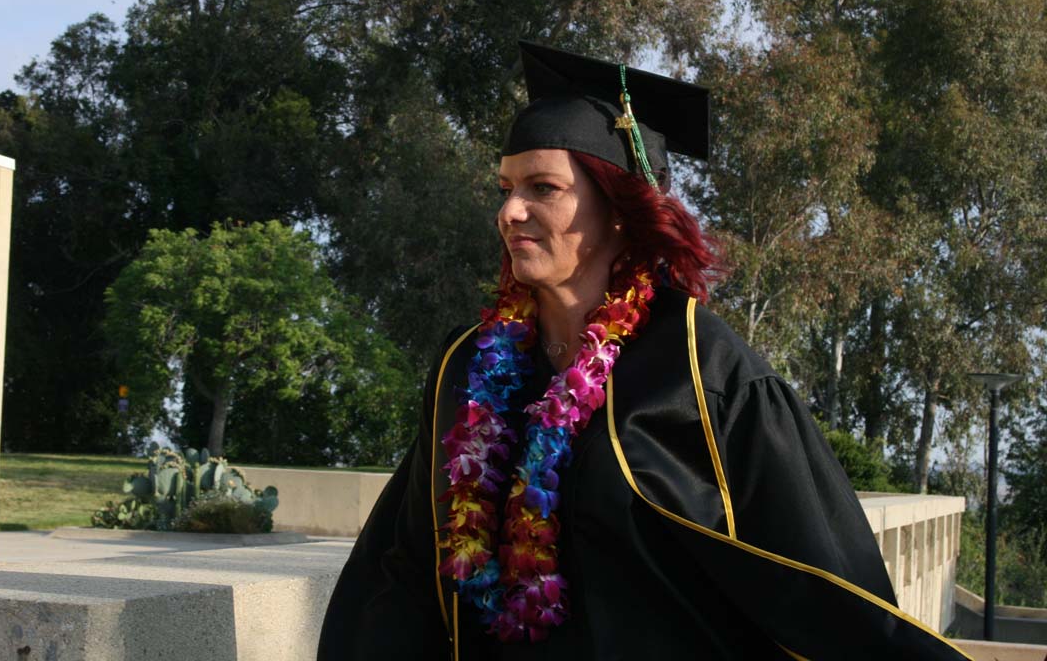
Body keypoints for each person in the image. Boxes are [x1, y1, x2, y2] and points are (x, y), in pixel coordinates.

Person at [317, 41, 969, 660]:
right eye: (504, 188)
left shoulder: (695, 367)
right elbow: (402, 568)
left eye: (542, 188)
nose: (510, 211)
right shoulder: (466, 366)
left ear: (620, 209)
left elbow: (821, 587)